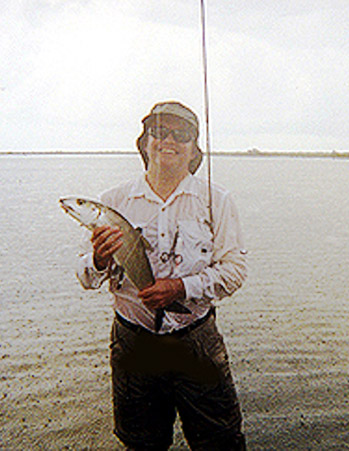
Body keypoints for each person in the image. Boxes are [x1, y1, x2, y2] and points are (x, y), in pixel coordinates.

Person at [76, 100, 247, 450]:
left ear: (194, 149)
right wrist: (98, 258)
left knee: (221, 441)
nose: (168, 140)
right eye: (158, 131)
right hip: (133, 344)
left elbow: (234, 270)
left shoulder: (217, 200)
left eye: (181, 134)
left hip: (197, 341)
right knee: (141, 444)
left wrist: (182, 287)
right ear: (144, 142)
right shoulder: (113, 201)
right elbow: (86, 278)